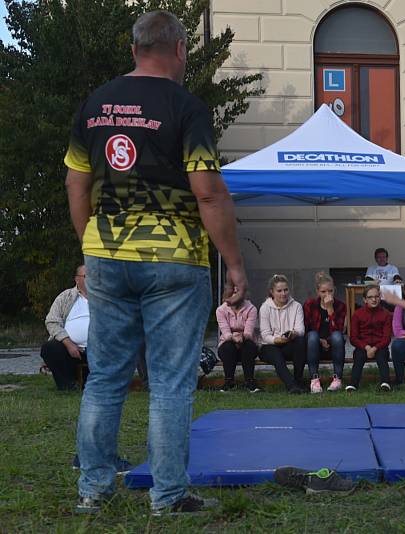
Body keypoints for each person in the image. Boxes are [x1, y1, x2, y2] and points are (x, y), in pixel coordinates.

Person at [65, 10, 247, 516]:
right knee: (169, 382)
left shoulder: (94, 104)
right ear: (181, 50)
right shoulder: (186, 107)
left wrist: (92, 244)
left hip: (105, 254)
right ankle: (167, 496)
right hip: (174, 260)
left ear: (133, 50)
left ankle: (93, 491)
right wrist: (234, 265)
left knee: (105, 377)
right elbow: (209, 194)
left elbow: (75, 183)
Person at [40, 265, 90, 390]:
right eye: (87, 276)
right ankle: (68, 385)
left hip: (100, 349)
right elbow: (52, 322)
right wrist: (68, 343)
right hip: (72, 350)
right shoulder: (65, 297)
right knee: (49, 348)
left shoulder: (105, 297)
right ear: (77, 279)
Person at [258, 275, 305, 395]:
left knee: (300, 342)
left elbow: (301, 330)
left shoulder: (297, 306)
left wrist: (293, 333)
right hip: (269, 345)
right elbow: (265, 334)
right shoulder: (265, 308)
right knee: (276, 354)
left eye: (286, 290)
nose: (283, 293)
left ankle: (298, 380)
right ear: (272, 292)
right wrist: (276, 340)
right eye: (279, 291)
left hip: (289, 343)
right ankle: (292, 385)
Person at [304, 271, 347, 394]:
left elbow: (339, 331)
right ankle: (314, 379)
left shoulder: (340, 306)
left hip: (334, 347)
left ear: (334, 290)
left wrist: (330, 309)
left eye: (330, 291)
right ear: (317, 292)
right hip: (314, 346)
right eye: (323, 292)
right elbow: (305, 330)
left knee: (337, 336)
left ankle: (337, 378)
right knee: (312, 335)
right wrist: (320, 340)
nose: (327, 294)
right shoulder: (310, 305)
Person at [347, 284, 392, 392]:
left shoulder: (385, 314)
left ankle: (385, 383)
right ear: (364, 299)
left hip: (380, 346)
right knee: (358, 357)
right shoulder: (357, 314)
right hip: (363, 346)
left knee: (382, 356)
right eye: (370, 297)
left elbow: (387, 338)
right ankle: (353, 384)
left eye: (376, 297)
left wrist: (375, 348)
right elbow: (353, 337)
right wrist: (366, 347)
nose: (374, 299)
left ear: (380, 297)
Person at [216, 284, 259, 392]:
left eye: (239, 292)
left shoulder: (251, 309)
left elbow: (248, 332)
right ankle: (229, 382)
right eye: (234, 292)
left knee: (248, 346)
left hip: (246, 342)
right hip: (228, 343)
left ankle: (250, 382)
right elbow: (225, 332)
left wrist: (242, 337)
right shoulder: (221, 310)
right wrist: (233, 337)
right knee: (228, 347)